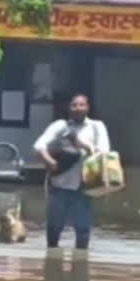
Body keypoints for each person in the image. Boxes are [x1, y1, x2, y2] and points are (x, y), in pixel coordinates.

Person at [34, 94, 110, 256]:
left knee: (83, 232)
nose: (78, 108)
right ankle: (52, 268)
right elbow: (39, 145)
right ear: (69, 108)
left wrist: (83, 145)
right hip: (58, 186)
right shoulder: (60, 126)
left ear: (88, 108)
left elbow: (104, 153)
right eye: (74, 105)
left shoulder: (97, 126)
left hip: (83, 189)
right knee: (53, 231)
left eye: (81, 105)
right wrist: (49, 162)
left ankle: (80, 271)